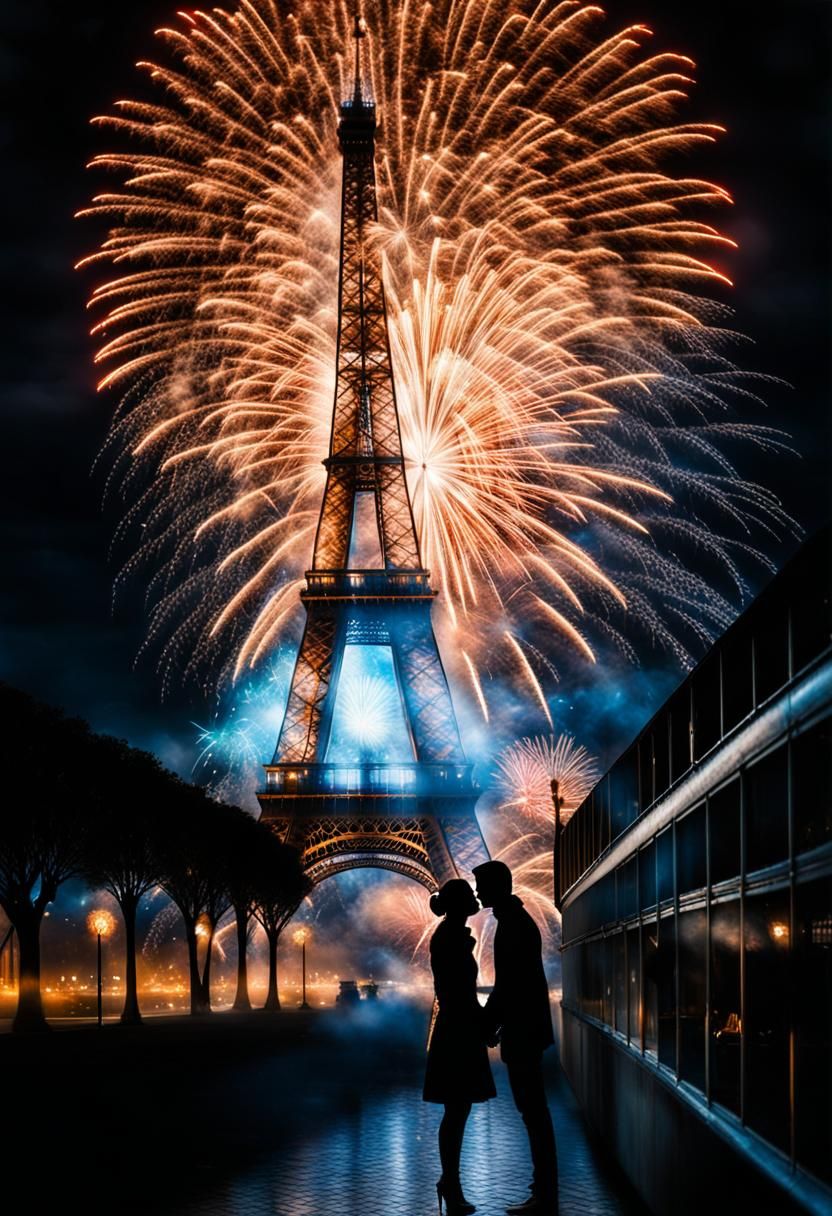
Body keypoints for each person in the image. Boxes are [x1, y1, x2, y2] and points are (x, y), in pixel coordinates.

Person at [473, 859, 558, 1216]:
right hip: (527, 1029)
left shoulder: (512, 926)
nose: (477, 892)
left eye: (481, 886)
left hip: (523, 1032)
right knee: (533, 1112)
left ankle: (544, 1194)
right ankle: (543, 1191)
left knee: (533, 1112)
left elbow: (509, 985)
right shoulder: (516, 921)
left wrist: (487, 1022)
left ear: (495, 886)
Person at [424, 878, 496, 1215]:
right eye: (468, 894)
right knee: (456, 1110)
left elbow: (457, 994)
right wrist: (483, 1025)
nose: (475, 898)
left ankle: (450, 1182)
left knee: (457, 1110)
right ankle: (450, 1183)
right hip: (458, 1031)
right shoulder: (451, 938)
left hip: (457, 1028)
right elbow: (458, 994)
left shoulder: (450, 936)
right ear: (457, 903)